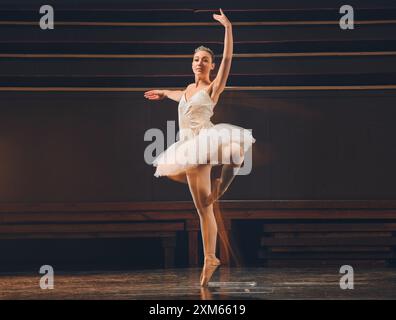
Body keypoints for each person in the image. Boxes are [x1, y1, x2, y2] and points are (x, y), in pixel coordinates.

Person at [144, 8, 256, 287]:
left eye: (205, 60)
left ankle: (223, 186)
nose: (199, 63)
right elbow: (178, 96)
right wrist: (162, 92)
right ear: (191, 63)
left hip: (205, 141)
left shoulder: (212, 88)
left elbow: (229, 58)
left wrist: (228, 28)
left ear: (211, 66)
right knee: (204, 208)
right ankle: (211, 258)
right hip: (187, 146)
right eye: (196, 59)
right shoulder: (187, 89)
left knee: (233, 153)